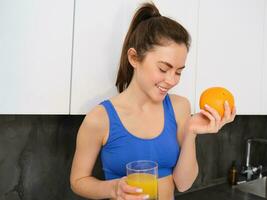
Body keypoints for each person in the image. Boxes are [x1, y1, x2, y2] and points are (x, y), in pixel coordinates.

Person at [70, 2, 236, 200]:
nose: (171, 80)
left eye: (178, 72)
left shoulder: (179, 107)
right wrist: (113, 188)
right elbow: (78, 181)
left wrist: (191, 132)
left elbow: (183, 184)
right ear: (134, 58)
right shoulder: (100, 118)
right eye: (163, 69)